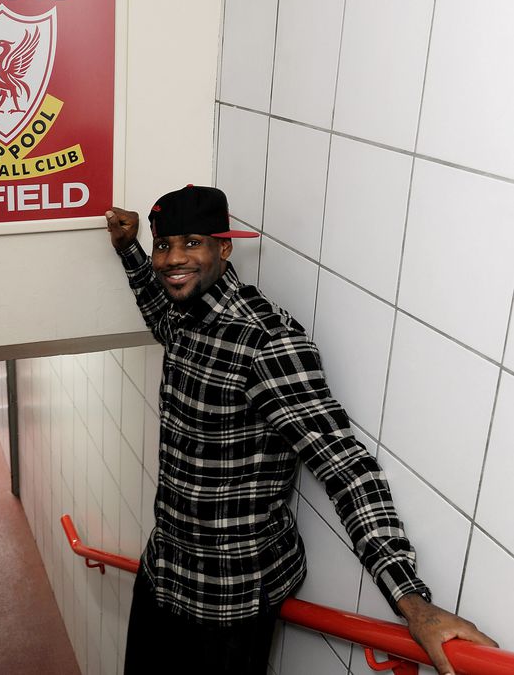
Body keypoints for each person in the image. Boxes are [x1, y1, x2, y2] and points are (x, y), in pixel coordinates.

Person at [105, 185, 496, 675]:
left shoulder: (266, 344)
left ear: (223, 248)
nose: (173, 258)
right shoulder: (185, 316)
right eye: (165, 246)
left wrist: (412, 601)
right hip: (165, 570)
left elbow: (346, 467)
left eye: (191, 243)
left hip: (229, 601)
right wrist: (131, 251)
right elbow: (158, 314)